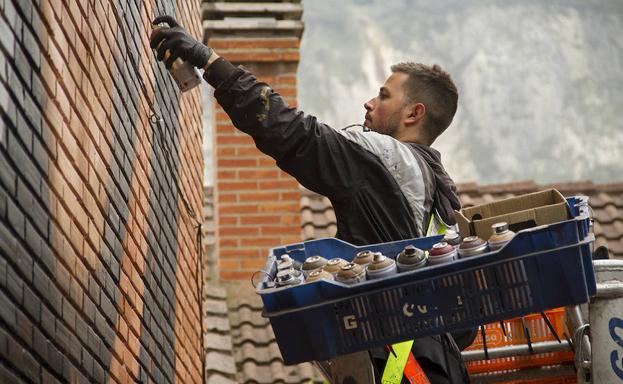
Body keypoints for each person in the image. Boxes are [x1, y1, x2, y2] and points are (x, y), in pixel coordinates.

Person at [150, 15, 470, 384]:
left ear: (414, 113)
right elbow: (465, 328)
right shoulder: (446, 198)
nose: (369, 103)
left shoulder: (386, 157)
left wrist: (209, 62)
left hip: (397, 370)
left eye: (383, 96)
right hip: (442, 367)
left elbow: (292, 132)